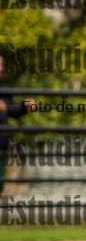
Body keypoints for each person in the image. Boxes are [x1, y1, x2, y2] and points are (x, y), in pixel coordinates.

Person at [0, 55, 37, 195]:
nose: (1, 68)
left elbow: (10, 110)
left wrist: (24, 107)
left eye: (1, 65)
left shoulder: (4, 88)